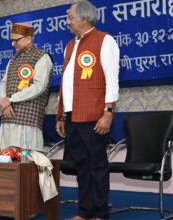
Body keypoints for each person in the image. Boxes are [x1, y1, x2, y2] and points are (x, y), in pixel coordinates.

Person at [55, 1, 120, 220]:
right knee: (82, 167)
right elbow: (67, 84)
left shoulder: (105, 40)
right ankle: (85, 212)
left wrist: (108, 111)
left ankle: (100, 214)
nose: (68, 22)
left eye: (71, 18)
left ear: (84, 18)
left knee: (97, 165)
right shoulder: (70, 45)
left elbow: (112, 79)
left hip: (94, 115)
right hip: (72, 115)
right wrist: (62, 115)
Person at [0, 23, 53, 149]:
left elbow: (39, 87)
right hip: (7, 119)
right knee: (5, 160)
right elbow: (3, 83)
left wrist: (10, 99)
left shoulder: (42, 57)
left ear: (28, 38)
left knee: (25, 163)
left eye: (16, 40)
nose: (13, 44)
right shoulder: (13, 60)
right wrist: (3, 101)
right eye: (12, 40)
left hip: (28, 122)